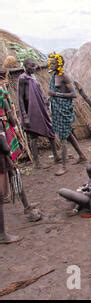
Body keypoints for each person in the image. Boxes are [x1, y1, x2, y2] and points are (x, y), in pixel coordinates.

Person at [0, 88, 41, 223]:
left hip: (4, 139)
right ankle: (26, 209)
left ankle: (26, 205)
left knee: (14, 173)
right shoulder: (1, 94)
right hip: (3, 141)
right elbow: (10, 117)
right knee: (12, 172)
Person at [47, 53, 87, 176]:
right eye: (50, 62)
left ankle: (64, 166)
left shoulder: (64, 76)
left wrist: (56, 95)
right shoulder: (53, 76)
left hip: (64, 110)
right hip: (57, 109)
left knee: (63, 138)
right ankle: (82, 156)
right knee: (68, 134)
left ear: (59, 64)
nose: (51, 65)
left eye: (53, 63)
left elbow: (74, 94)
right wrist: (49, 99)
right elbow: (53, 92)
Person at [18, 58, 60, 169]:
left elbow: (39, 92)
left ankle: (56, 156)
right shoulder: (22, 79)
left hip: (40, 109)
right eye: (31, 66)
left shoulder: (33, 77)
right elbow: (21, 99)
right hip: (31, 112)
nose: (34, 68)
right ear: (25, 66)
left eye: (34, 66)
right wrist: (25, 116)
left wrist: (45, 101)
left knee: (50, 132)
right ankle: (37, 163)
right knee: (33, 136)